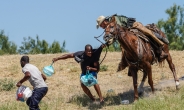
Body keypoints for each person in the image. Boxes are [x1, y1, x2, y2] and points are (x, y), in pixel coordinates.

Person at [96, 14, 169, 72]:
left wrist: (109, 42)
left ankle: (160, 45)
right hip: (127, 33)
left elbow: (118, 31)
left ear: (103, 22)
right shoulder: (108, 27)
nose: (101, 27)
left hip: (133, 26)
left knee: (147, 32)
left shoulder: (113, 19)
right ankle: (129, 64)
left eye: (100, 25)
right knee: (124, 47)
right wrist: (107, 43)